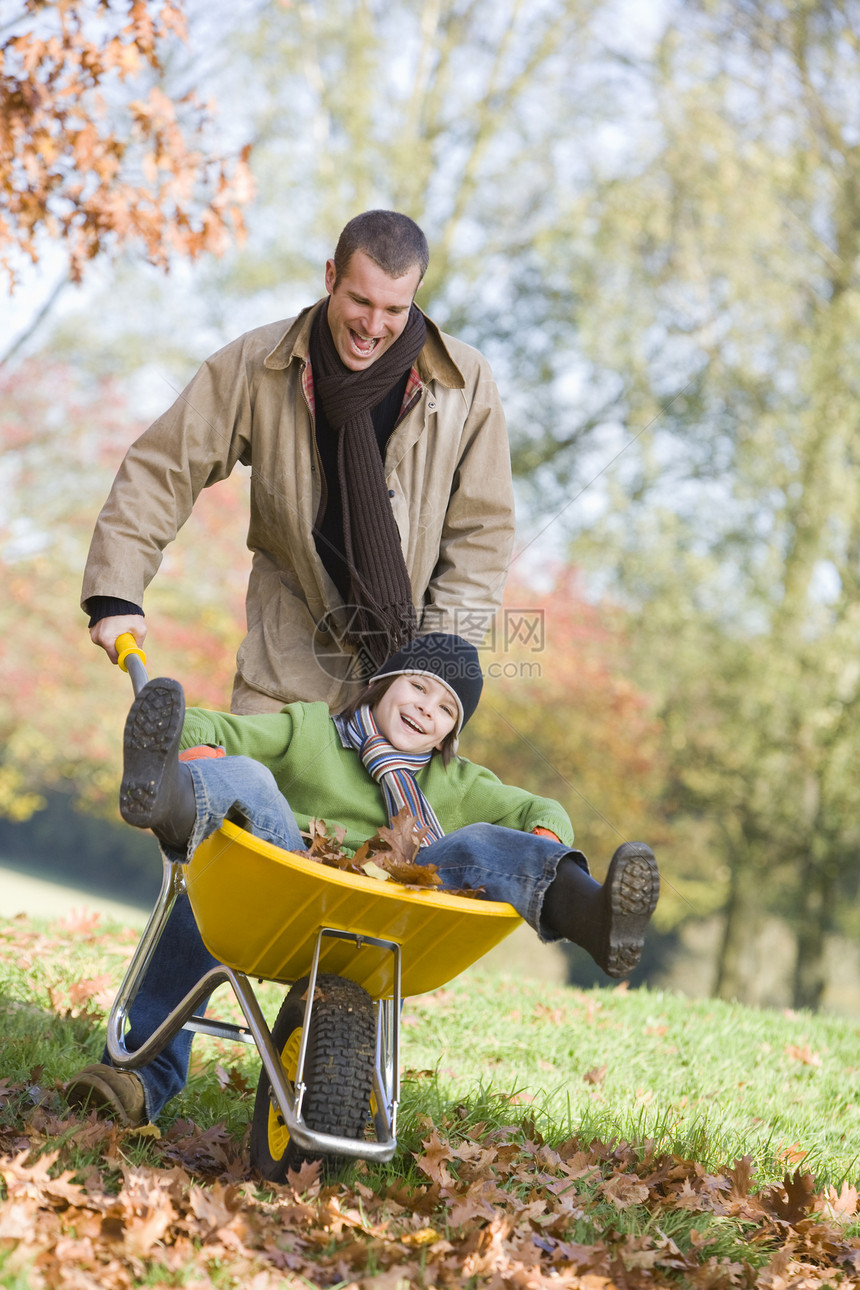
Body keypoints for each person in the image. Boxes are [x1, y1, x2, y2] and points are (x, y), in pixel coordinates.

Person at [66, 634, 660, 1127]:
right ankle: (169, 807)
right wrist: (194, 760)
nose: (427, 708)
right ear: (384, 684)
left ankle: (597, 920)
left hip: (385, 915)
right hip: (280, 879)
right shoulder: (312, 732)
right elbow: (199, 723)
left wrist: (545, 840)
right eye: (418, 687)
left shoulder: (460, 782)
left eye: (446, 708)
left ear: (450, 731)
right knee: (248, 779)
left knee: (478, 844)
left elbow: (544, 810)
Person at [82, 210, 516, 715]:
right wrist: (117, 592)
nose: (373, 326)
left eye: (394, 309)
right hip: (283, 678)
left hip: (405, 688)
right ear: (331, 277)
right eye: (359, 300)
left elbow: (482, 530)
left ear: (415, 294)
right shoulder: (257, 365)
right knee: (246, 793)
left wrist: (433, 667)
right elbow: (163, 469)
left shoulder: (465, 382)